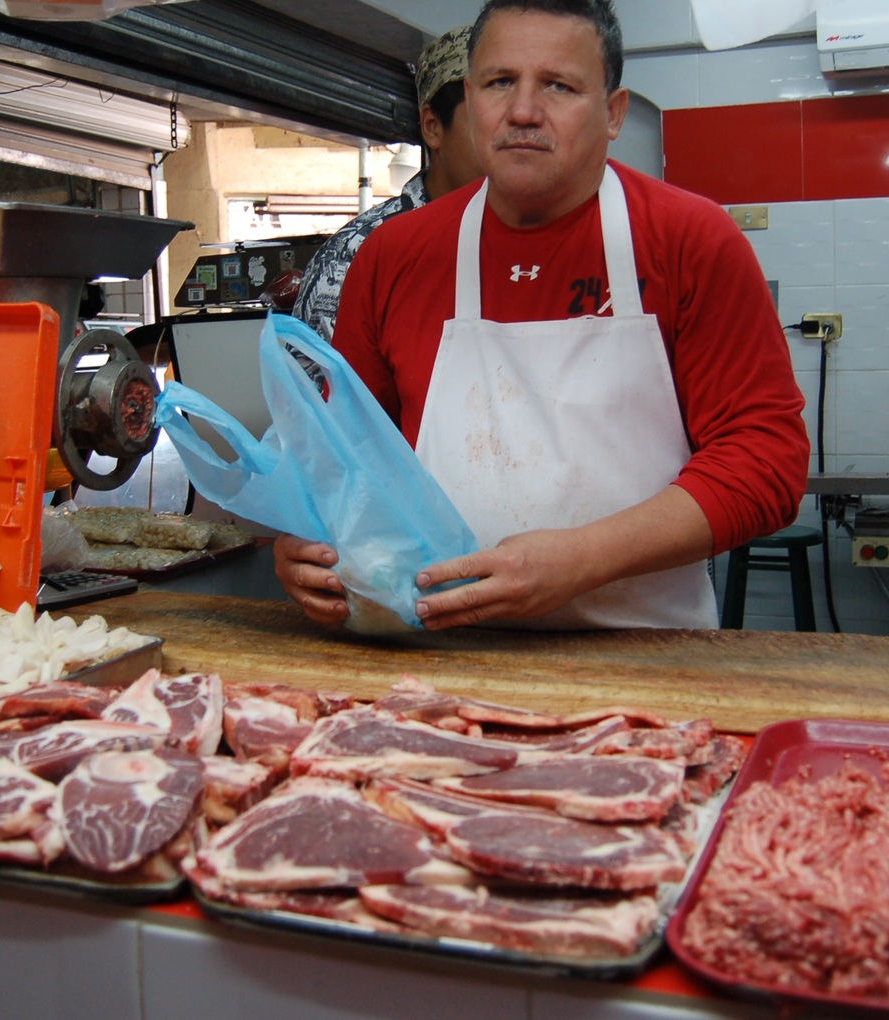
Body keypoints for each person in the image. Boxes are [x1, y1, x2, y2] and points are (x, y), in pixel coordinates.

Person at [275, 0, 810, 632]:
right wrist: (305, 540)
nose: (523, 111)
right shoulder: (395, 256)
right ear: (470, 99)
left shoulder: (691, 240)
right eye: (500, 82)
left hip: (648, 655)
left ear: (613, 113)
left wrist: (585, 557)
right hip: (441, 652)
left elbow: (765, 459)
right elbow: (348, 458)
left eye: (558, 85)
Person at [291, 25, 483, 343]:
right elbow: (315, 389)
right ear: (433, 127)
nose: (507, 137)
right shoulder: (355, 255)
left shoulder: (533, 239)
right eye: (483, 119)